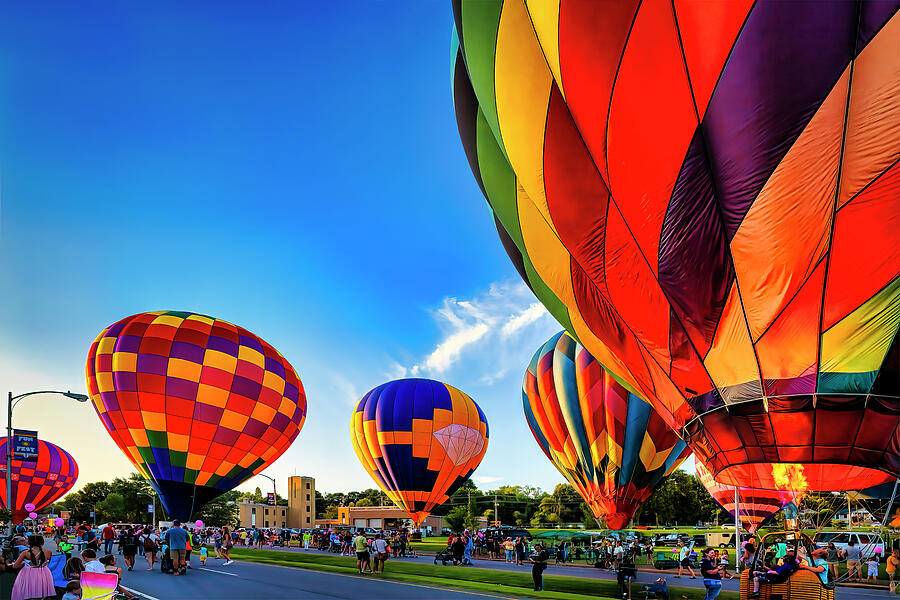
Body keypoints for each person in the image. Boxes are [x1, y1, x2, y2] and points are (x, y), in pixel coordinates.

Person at [11, 534, 56, 600]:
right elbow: (45, 562)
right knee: (41, 590)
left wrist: (24, 563)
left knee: (28, 590)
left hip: (28, 573)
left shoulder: (25, 553)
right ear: (42, 542)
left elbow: (15, 566)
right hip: (43, 573)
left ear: (29, 542)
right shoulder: (48, 552)